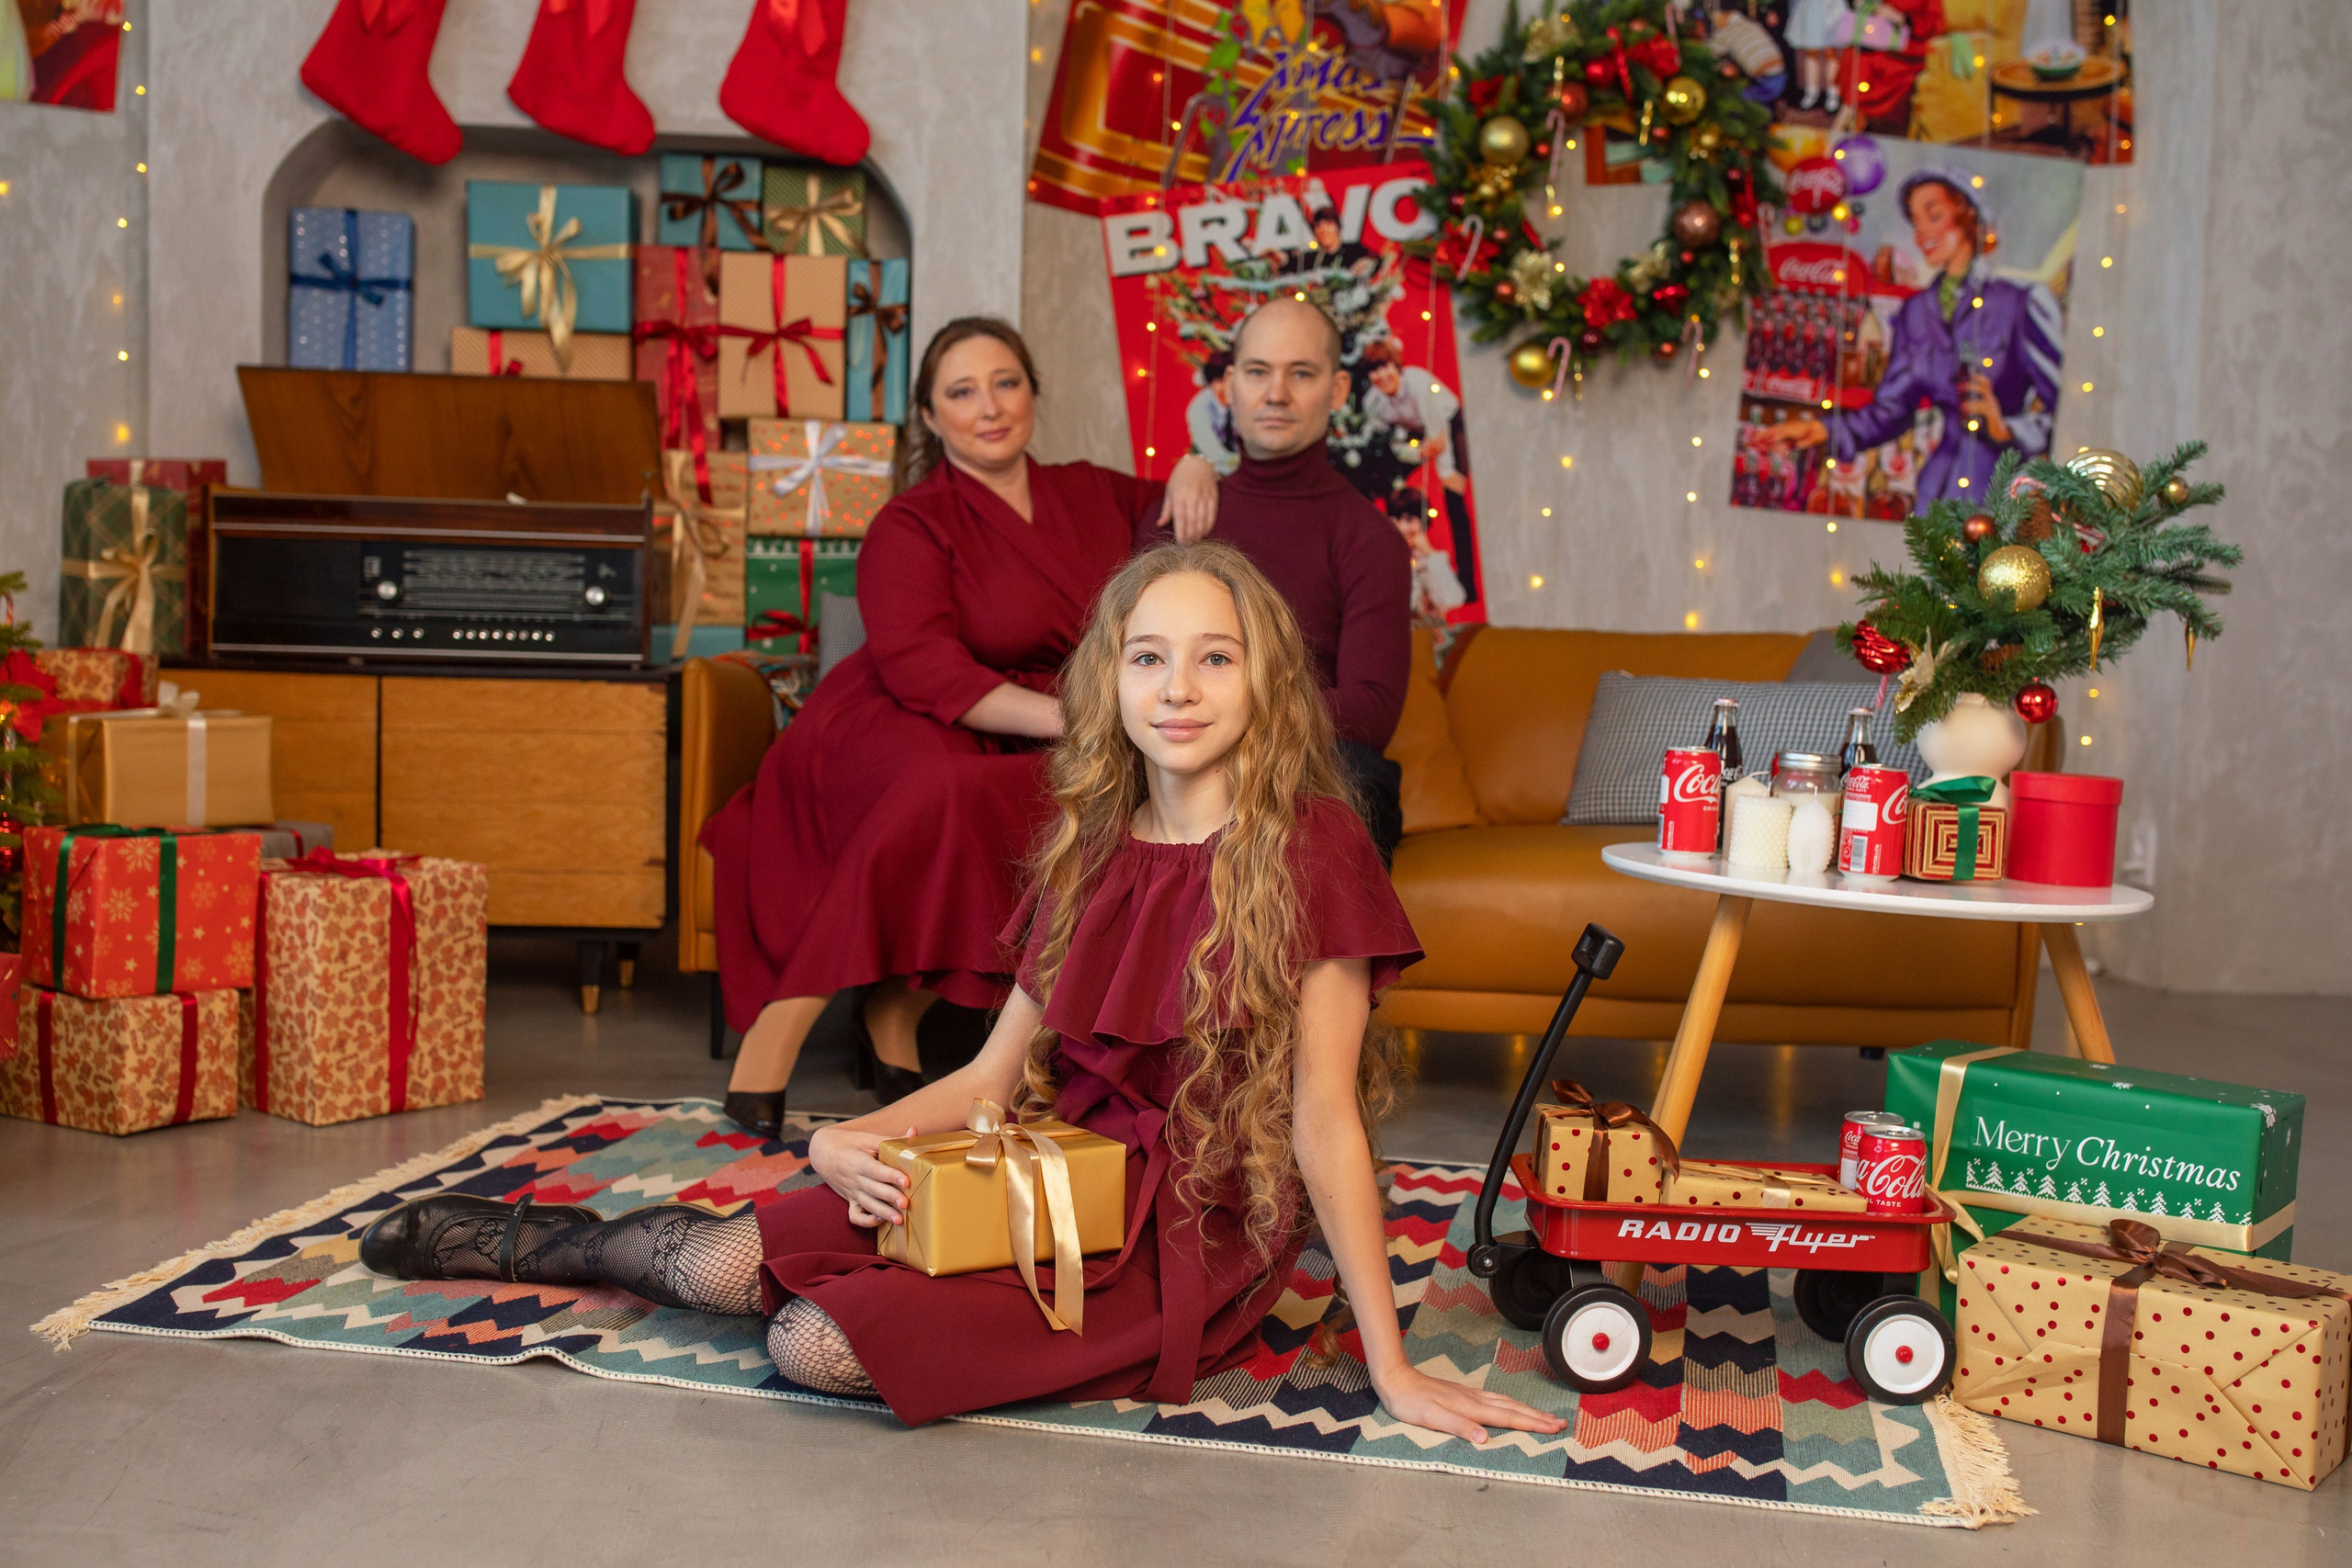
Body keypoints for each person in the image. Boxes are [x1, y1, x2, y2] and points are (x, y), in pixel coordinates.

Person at [358, 543, 1564, 1446]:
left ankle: (886, 1293)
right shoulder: (1090, 849)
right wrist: (841, 1139)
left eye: (1216, 656)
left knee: (812, 1342)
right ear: (1111, 680)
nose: (1179, 686)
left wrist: (1390, 1364)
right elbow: (992, 1076)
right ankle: (532, 1241)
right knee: (719, 1266)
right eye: (1149, 656)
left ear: (1267, 683)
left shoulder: (1312, 847)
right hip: (1045, 1171)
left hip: (1189, 1232)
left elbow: (1325, 1119)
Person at [700, 318, 1222, 1135]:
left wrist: (1196, 463)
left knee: (1035, 795)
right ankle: (783, 1021)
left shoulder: (1091, 491)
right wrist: (1078, 720)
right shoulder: (910, 522)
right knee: (943, 789)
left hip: (1025, 727)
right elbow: (923, 669)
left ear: (1033, 394)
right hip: (902, 715)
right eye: (962, 391)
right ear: (930, 415)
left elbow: (1176, 515)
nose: (990, 407)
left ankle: (895, 1009)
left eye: (1006, 383)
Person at [1145, 296, 1412, 862]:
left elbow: (1372, 710)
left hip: (1307, 769)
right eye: (1258, 372)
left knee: (1356, 774)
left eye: (1302, 374)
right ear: (1229, 386)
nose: (1276, 394)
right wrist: (1194, 462)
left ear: (1337, 390)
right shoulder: (1183, 516)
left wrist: (1232, 717)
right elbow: (1133, 665)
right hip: (1182, 758)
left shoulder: (1369, 539)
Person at [1761, 168, 2062, 510]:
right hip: (1934, 491)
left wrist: (2006, 428)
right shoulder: (1916, 311)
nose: (1922, 234)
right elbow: (1891, 411)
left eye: (1933, 216)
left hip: (2003, 495)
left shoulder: (2020, 301)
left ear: (1968, 217)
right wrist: (1822, 430)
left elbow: (2064, 409)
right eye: (1916, 224)